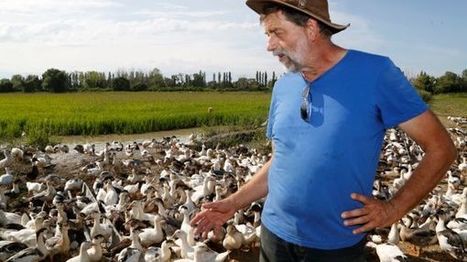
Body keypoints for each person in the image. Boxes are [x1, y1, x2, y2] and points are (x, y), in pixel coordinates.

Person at [191, 0, 457, 261]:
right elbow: (280, 161)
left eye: (277, 33)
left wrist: (393, 209)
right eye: (267, 34)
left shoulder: (375, 74)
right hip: (273, 235)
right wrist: (234, 203)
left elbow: (441, 148)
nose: (269, 46)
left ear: (311, 28)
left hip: (336, 248)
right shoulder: (283, 87)